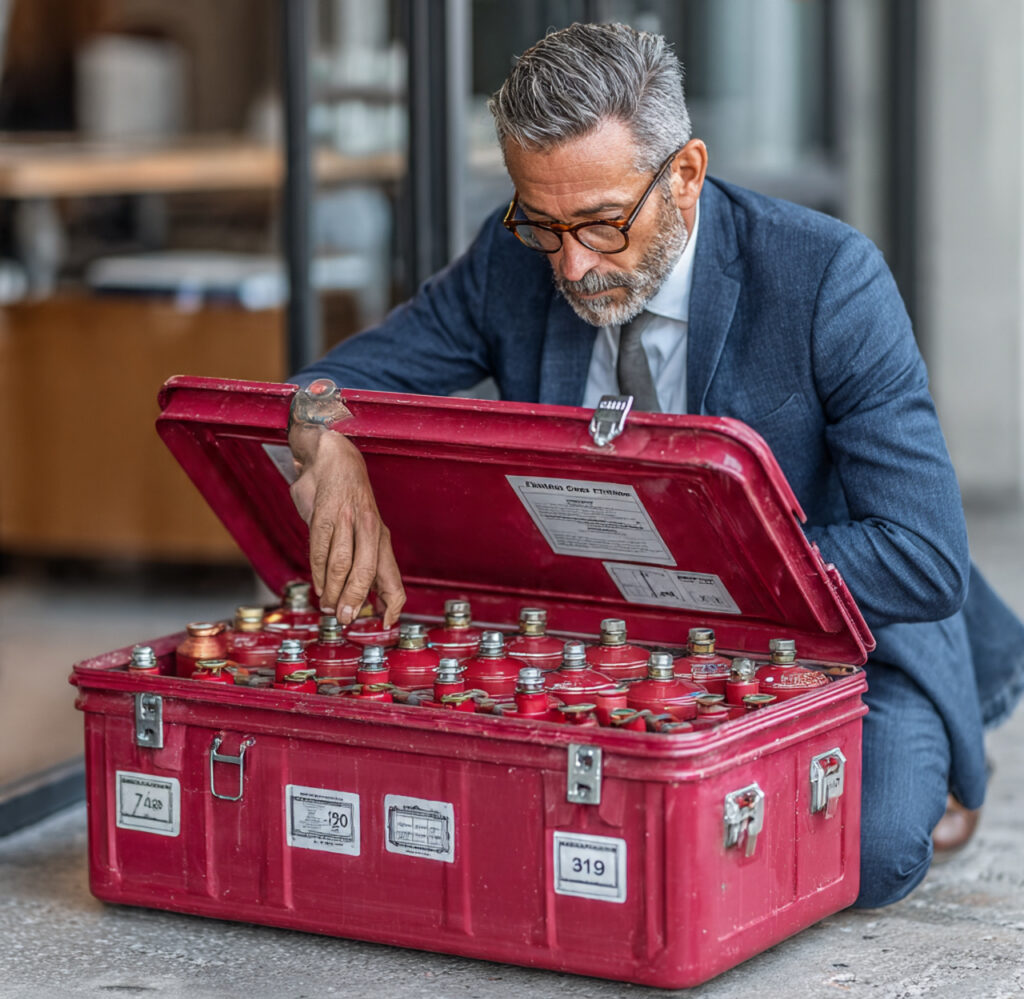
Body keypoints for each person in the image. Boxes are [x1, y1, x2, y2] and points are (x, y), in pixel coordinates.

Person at [287, 22, 1024, 908]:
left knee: (861, 854)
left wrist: (690, 565)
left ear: (685, 173)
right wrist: (326, 435)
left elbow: (921, 553)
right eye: (543, 223)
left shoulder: (829, 276)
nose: (573, 264)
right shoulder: (510, 260)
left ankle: (953, 727)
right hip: (624, 637)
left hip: (842, 638)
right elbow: (328, 383)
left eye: (602, 223)